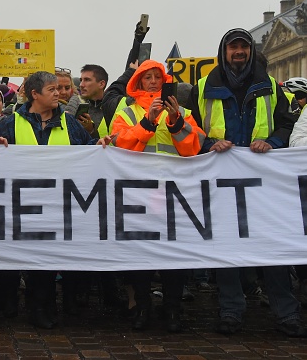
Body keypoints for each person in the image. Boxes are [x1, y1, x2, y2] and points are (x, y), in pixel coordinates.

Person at [188, 28, 305, 338]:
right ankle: (230, 311)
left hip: (264, 182)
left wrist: (274, 142)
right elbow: (191, 130)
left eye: (243, 46)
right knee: (228, 248)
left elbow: (287, 123)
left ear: (250, 50)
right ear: (224, 51)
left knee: (272, 247)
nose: (238, 51)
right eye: (233, 47)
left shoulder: (269, 84)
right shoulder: (203, 86)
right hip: (221, 179)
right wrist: (210, 142)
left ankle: (287, 313)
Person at [0, 71, 113, 329]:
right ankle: (38, 306)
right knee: (35, 259)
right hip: (25, 205)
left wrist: (98, 144)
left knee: (57, 256)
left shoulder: (70, 124)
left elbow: (87, 150)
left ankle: (54, 305)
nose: (58, 93)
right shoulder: (9, 124)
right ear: (35, 94)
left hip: (62, 204)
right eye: (51, 90)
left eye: (58, 89)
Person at [111, 59, 205, 332]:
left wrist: (175, 122)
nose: (153, 81)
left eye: (157, 76)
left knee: (173, 257)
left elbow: (193, 147)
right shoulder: (126, 114)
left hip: (173, 196)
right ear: (138, 82)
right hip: (137, 197)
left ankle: (173, 309)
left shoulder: (182, 111)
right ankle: (142, 307)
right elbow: (119, 145)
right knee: (140, 256)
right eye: (147, 77)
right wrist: (147, 123)